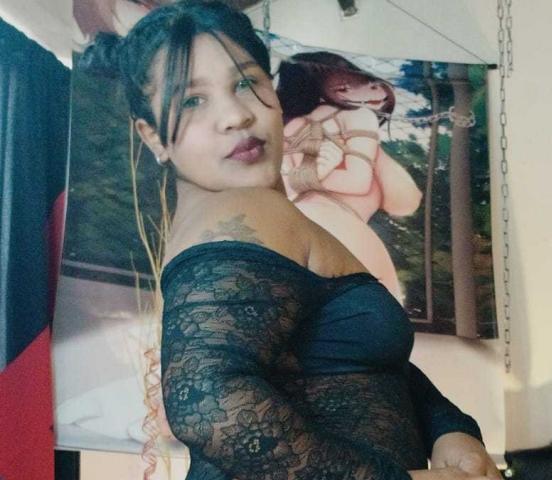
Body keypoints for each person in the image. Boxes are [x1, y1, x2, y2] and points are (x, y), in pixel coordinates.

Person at [81, 1, 500, 479]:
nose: (235, 115)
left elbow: (356, 361)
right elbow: (206, 402)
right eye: (193, 100)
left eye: (246, 83)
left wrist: (448, 426)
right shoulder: (239, 211)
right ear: (153, 136)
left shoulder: (263, 217)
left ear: (275, 93)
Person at [277, 52, 423, 302]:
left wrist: (311, 177)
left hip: (293, 232)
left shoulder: (291, 126)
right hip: (343, 233)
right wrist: (316, 175)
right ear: (339, 89)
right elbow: (359, 182)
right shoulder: (358, 116)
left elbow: (287, 187)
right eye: (368, 82)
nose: (379, 91)